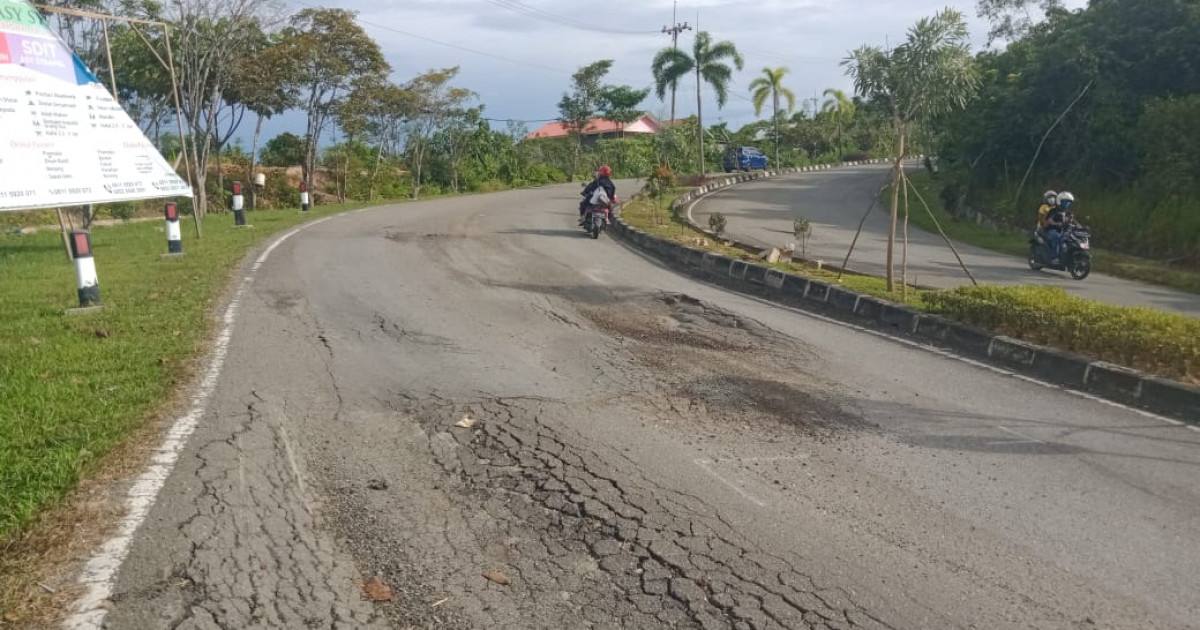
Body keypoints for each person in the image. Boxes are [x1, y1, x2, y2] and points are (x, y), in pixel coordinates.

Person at [1045, 191, 1075, 264]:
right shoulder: (1054, 210)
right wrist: (1057, 224)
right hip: (1052, 230)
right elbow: (1049, 221)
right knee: (1057, 237)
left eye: (1069, 202)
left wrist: (1077, 226)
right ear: (1059, 201)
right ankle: (1054, 257)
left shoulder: (1068, 213)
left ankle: (1067, 257)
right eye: (1065, 202)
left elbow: (1072, 222)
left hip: (1063, 231)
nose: (1067, 204)